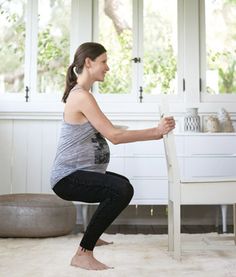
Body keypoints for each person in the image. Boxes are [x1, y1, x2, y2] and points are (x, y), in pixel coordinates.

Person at [50, 42, 175, 271]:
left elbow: (104, 129)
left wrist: (151, 132)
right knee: (121, 190)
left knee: (122, 184)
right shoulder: (81, 96)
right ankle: (83, 253)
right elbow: (114, 136)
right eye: (104, 62)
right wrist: (156, 132)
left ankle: (92, 234)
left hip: (77, 174)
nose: (107, 67)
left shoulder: (83, 94)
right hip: (67, 177)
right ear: (88, 62)